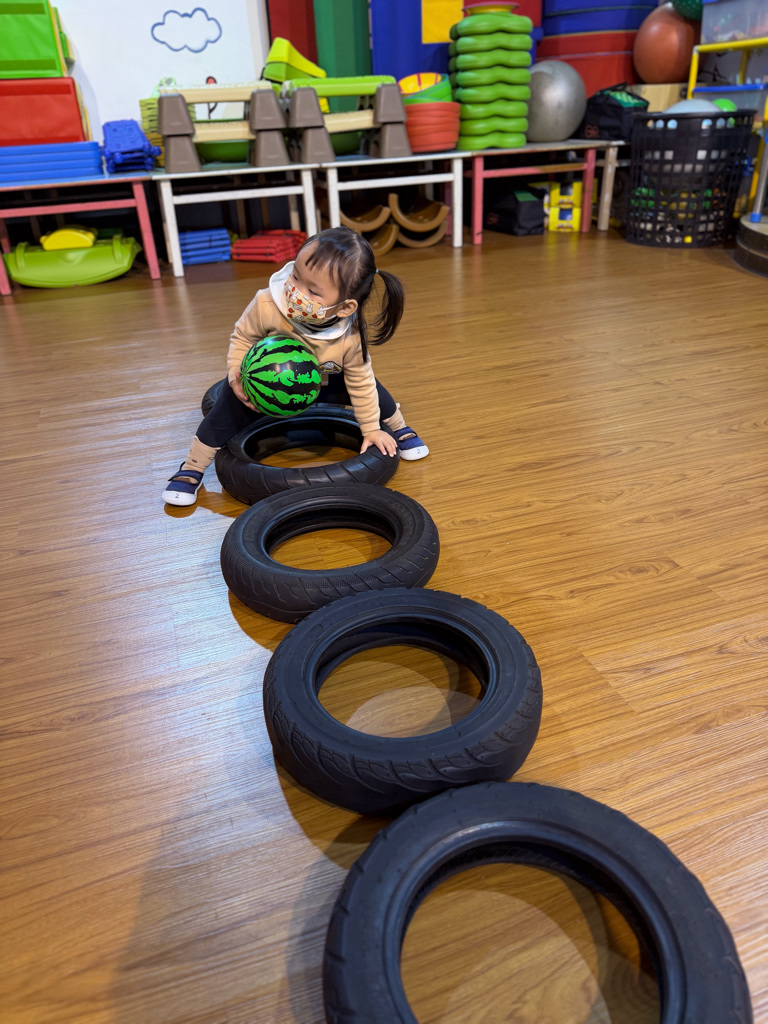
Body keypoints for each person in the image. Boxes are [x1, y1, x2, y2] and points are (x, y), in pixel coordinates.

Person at [163, 227, 428, 507]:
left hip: (326, 380)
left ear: (344, 308)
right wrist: (235, 372)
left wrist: (371, 429)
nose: (295, 291)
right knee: (225, 410)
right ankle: (192, 467)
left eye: (312, 291)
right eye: (296, 276)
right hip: (268, 381)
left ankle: (399, 427)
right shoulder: (267, 302)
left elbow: (360, 381)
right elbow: (242, 337)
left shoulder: (350, 335)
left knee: (373, 389)